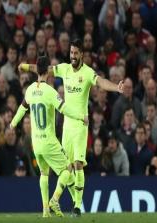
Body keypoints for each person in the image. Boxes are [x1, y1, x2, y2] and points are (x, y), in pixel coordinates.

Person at [18, 39, 124, 217]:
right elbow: (45, 69)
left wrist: (116, 88)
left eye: (76, 53)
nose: (73, 56)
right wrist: (26, 67)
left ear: (82, 54)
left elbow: (101, 82)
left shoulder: (87, 72)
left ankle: (76, 206)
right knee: (66, 168)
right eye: (71, 53)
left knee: (78, 165)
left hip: (81, 125)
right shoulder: (64, 69)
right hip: (67, 125)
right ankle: (57, 200)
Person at [11, 56, 88, 218]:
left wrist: (13, 123)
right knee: (68, 169)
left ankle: (45, 210)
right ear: (47, 71)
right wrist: (81, 116)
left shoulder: (31, 89)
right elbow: (65, 109)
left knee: (44, 174)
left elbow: (22, 108)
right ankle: (54, 199)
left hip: (36, 142)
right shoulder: (50, 92)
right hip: (48, 141)